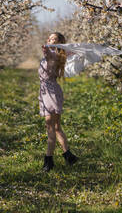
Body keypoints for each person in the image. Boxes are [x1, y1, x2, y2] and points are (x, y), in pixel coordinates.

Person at [38, 32, 78, 172]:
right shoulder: (53, 55)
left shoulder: (54, 55)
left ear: (59, 43)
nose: (51, 40)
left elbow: (48, 53)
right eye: (50, 38)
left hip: (51, 92)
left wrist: (46, 48)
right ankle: (69, 156)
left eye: (55, 39)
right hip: (46, 92)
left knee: (50, 127)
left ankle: (48, 161)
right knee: (56, 127)